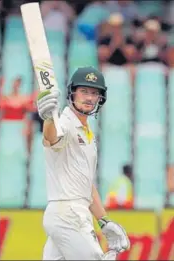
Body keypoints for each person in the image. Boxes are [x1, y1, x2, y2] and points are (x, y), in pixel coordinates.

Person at [37, 66, 130, 260]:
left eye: (94, 93)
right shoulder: (65, 123)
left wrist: (103, 220)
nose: (89, 97)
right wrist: (47, 119)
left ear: (100, 98)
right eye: (84, 91)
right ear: (72, 93)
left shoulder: (86, 132)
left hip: (71, 213)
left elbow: (87, 185)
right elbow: (51, 138)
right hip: (68, 214)